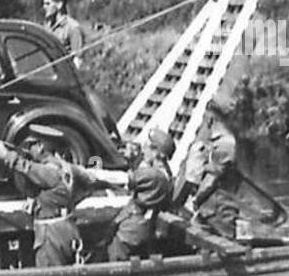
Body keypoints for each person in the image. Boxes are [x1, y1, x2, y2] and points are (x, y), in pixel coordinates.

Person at [0, 113, 97, 267]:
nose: (28, 149)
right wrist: (50, 200)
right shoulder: (66, 167)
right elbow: (89, 184)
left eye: (31, 145)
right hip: (67, 228)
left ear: (41, 146)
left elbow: (4, 155)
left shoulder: (45, 172)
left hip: (50, 235)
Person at [86, 129, 176, 261]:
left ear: (156, 152)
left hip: (133, 228)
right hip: (142, 222)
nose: (143, 151)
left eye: (147, 148)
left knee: (115, 258)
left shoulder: (153, 175)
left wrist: (93, 173)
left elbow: (124, 179)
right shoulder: (163, 172)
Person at [175, 100, 242, 238]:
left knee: (225, 249)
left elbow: (211, 180)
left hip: (219, 212)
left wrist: (195, 200)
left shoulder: (225, 144)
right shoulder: (216, 142)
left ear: (211, 118)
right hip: (209, 209)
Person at [42, 0, 85, 68]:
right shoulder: (47, 27)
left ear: (59, 5)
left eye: (48, 4)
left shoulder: (72, 27)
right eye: (44, 4)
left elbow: (77, 60)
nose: (44, 7)